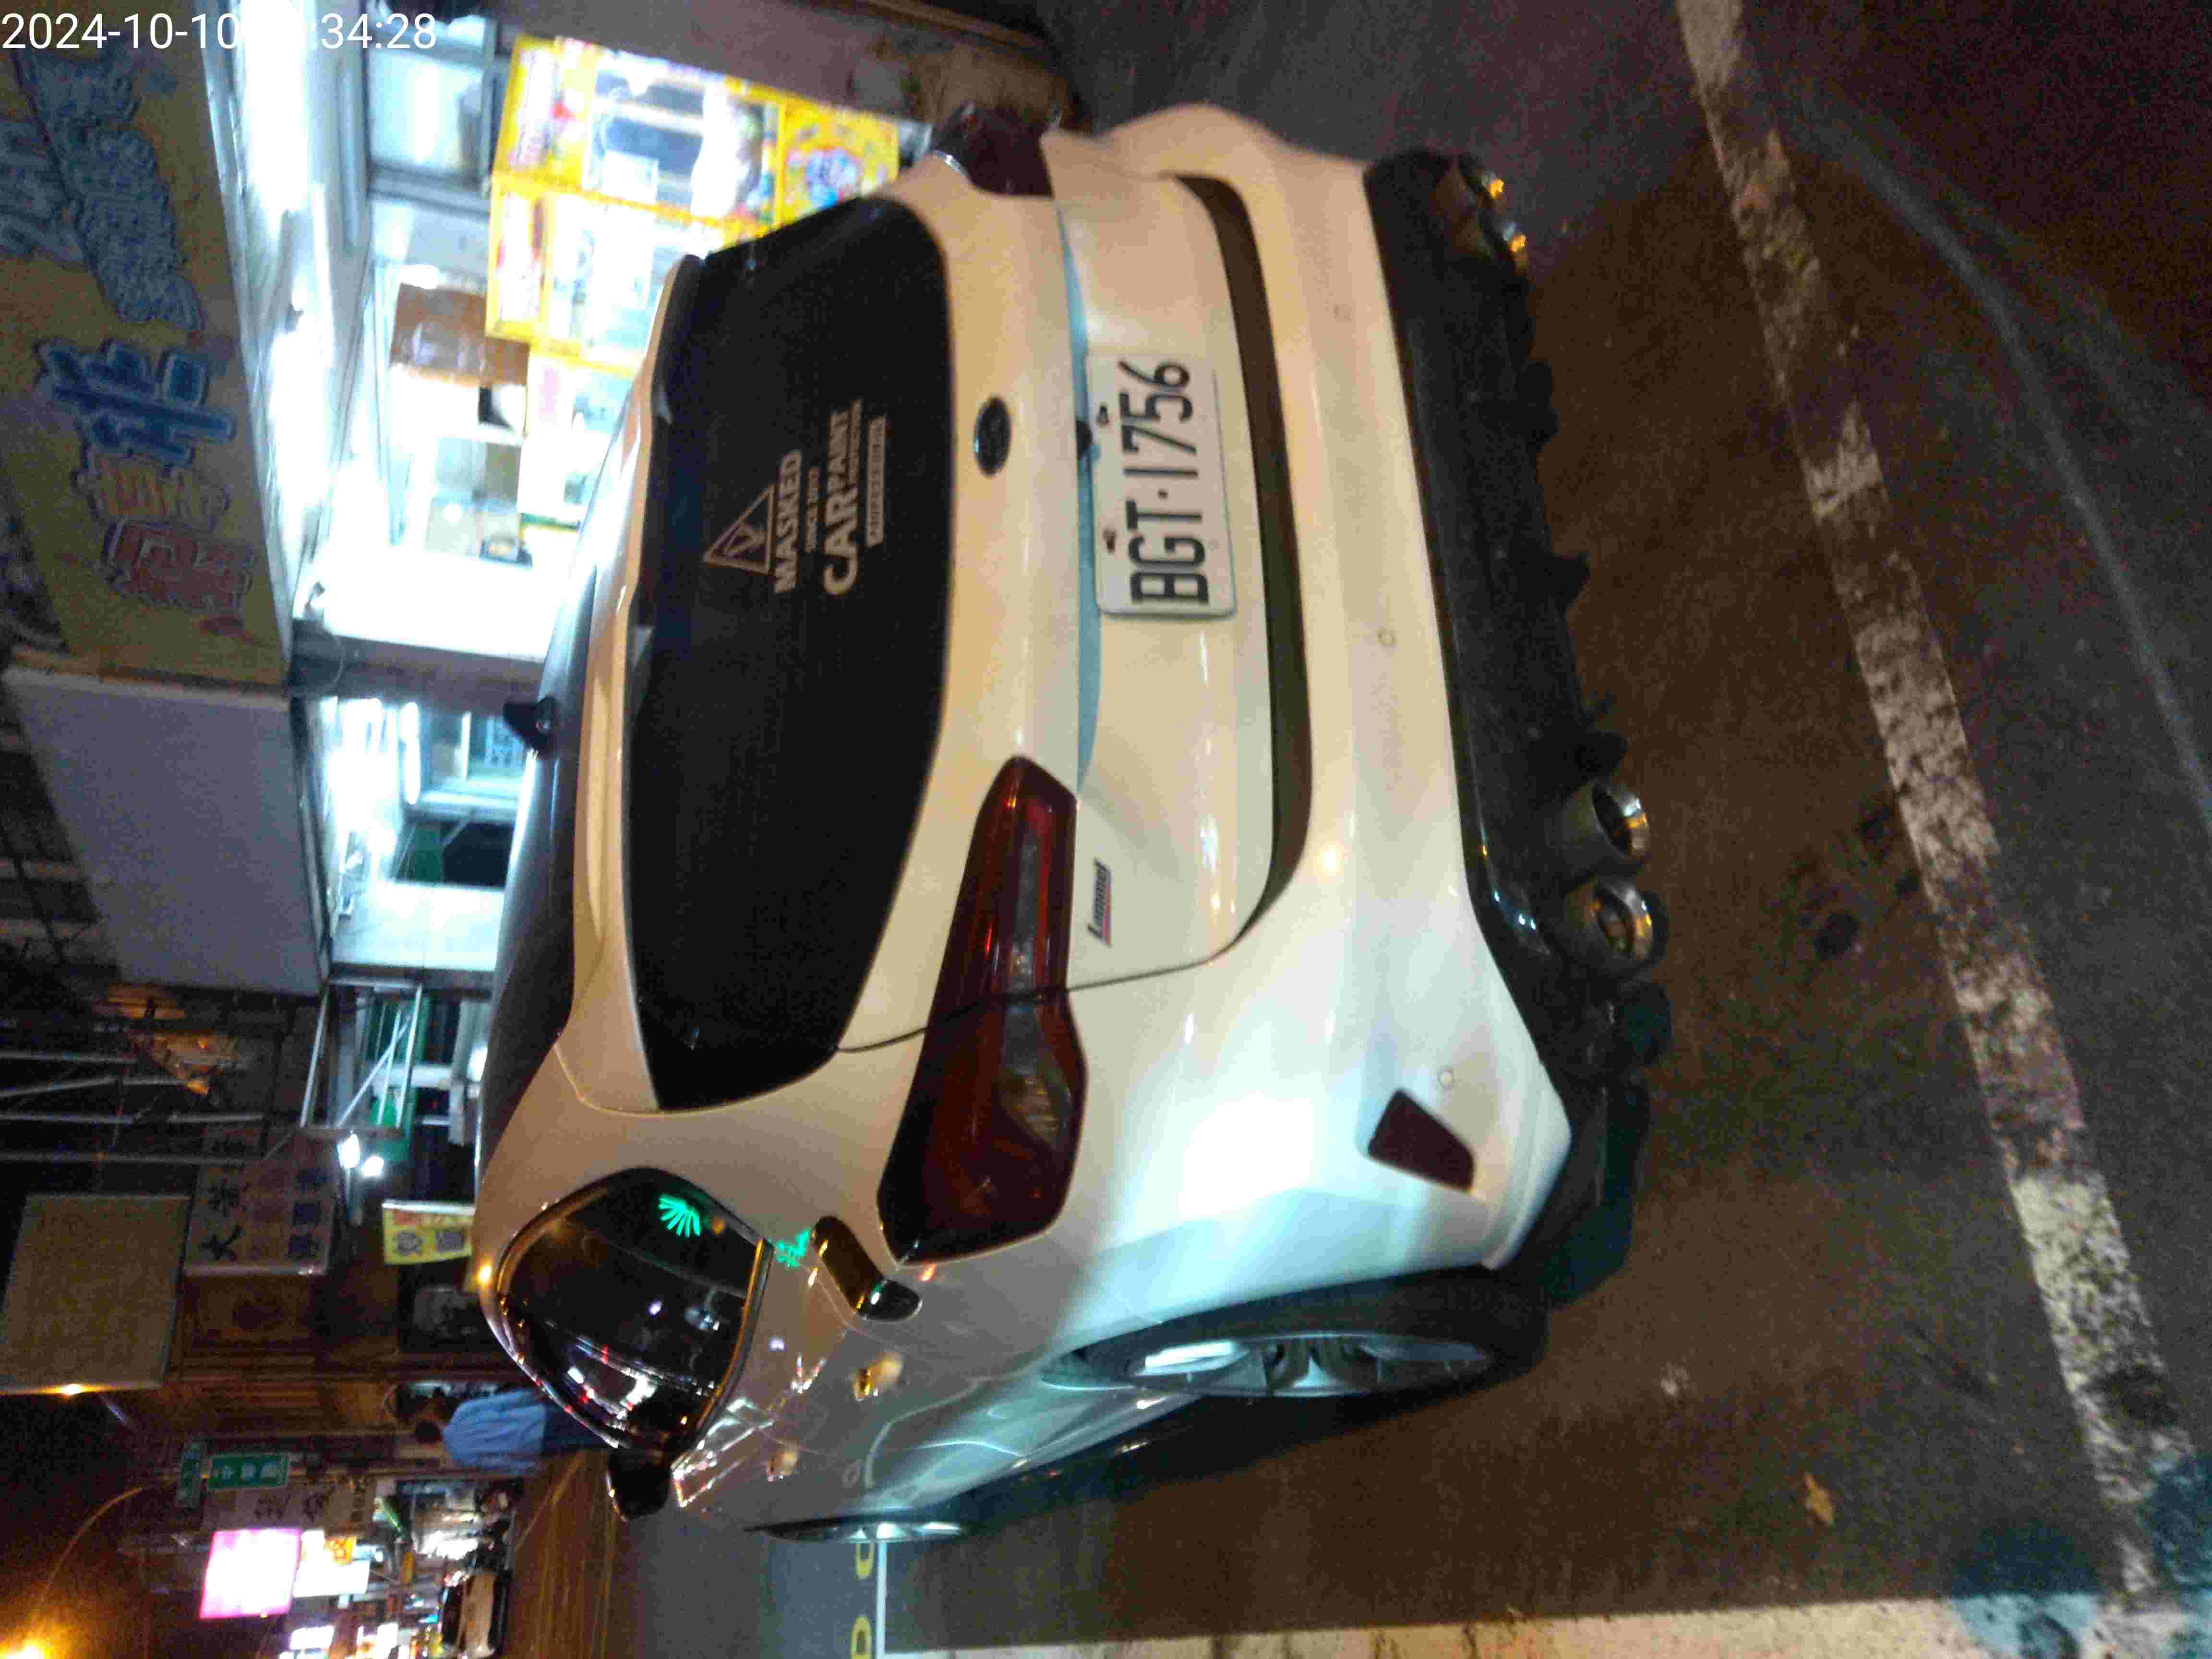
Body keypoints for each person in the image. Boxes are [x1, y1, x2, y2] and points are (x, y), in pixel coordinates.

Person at [405, 1387, 603, 1475]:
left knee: (582, 1442)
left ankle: (614, 1442)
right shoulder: (463, 1413)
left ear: (432, 1443)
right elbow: (500, 1403)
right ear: (434, 1422)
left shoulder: (460, 1457)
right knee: (586, 1418)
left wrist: (528, 1467)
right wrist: (531, 1396)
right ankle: (618, 1426)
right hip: (533, 1417)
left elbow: (497, 1463)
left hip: (530, 1447)